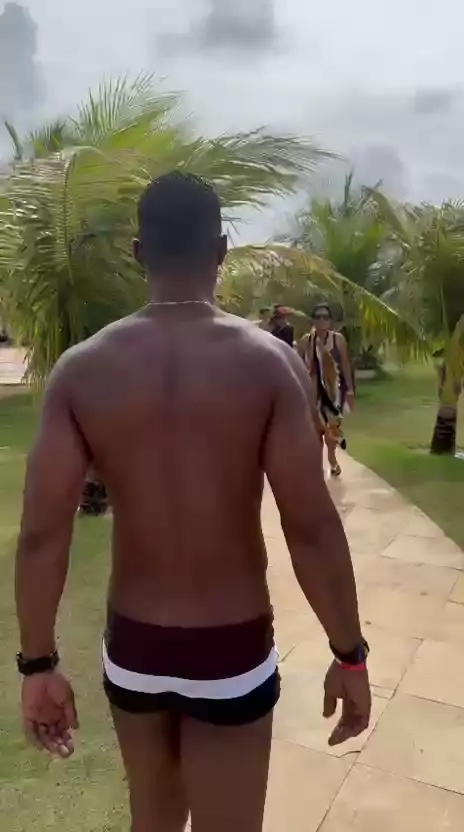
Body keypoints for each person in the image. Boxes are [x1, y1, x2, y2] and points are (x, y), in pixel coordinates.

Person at [15, 172, 370, 832]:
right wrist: (350, 653)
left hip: (135, 644)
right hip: (230, 646)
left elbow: (42, 535)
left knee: (151, 821)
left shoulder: (82, 370)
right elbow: (311, 528)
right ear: (222, 250)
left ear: (139, 254)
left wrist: (38, 665)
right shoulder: (268, 363)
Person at [298, 303, 355, 477]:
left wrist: (350, 390)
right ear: (313, 320)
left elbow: (345, 365)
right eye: (318, 317)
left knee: (332, 429)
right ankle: (318, 465)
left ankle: (331, 457)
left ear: (330, 320)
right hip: (312, 393)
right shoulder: (306, 341)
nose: (322, 320)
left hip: (334, 393)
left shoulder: (338, 340)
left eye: (325, 317)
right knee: (315, 430)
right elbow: (298, 366)